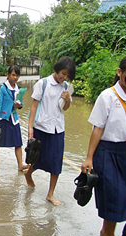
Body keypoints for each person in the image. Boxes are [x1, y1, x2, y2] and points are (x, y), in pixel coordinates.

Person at [81, 55, 126, 236]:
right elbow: (98, 129)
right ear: (120, 72)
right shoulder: (107, 96)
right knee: (112, 202)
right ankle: (107, 235)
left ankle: (106, 234)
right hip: (107, 154)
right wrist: (89, 157)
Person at [24, 56, 76, 206]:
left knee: (56, 162)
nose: (64, 77)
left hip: (58, 129)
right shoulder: (43, 83)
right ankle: (28, 173)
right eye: (63, 73)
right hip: (42, 127)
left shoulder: (66, 87)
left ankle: (50, 194)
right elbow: (34, 106)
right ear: (57, 69)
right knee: (37, 159)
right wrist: (30, 127)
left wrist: (67, 99)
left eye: (67, 75)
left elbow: (65, 108)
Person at [0, 65, 29, 171]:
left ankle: (20, 164)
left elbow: (22, 103)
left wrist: (20, 105)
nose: (15, 78)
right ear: (8, 75)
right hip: (3, 117)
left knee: (18, 142)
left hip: (14, 118)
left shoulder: (19, 89)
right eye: (13, 75)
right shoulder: (2, 88)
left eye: (17, 75)